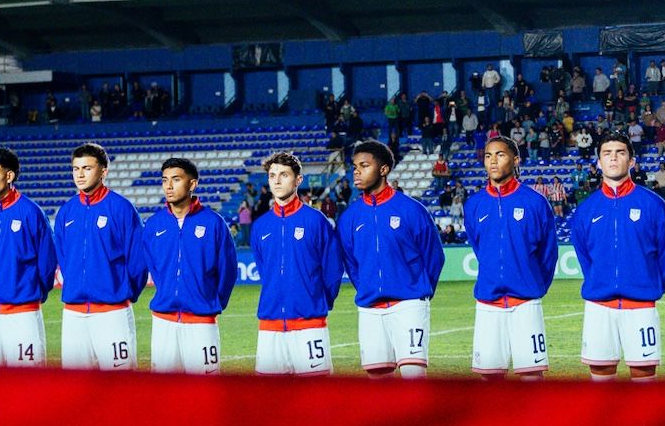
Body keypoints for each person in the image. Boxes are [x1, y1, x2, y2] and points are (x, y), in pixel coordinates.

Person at [569, 132, 665, 381]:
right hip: (599, 306)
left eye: (620, 152)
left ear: (631, 161)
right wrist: (600, 281)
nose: (613, 158)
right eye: (607, 153)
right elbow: (585, 255)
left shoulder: (653, 204)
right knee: (601, 372)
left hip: (640, 306)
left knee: (643, 373)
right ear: (598, 162)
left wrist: (652, 286)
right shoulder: (587, 209)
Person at [337, 140, 445, 378]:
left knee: (413, 377)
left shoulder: (412, 210)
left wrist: (419, 292)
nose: (356, 171)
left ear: (383, 170)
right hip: (370, 309)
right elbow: (351, 264)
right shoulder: (349, 217)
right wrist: (368, 287)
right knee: (378, 384)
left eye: (364, 165)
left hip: (409, 305)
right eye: (355, 166)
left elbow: (434, 256)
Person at [462, 138, 557, 379]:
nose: (493, 160)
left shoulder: (535, 202)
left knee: (531, 375)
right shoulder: (474, 204)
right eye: (488, 155)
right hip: (488, 303)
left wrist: (531, 285)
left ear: (515, 160)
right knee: (489, 377)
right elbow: (478, 246)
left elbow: (548, 253)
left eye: (500, 155)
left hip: (525, 304)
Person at [53, 142, 147, 371]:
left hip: (112, 313)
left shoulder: (122, 209)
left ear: (103, 171)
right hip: (74, 315)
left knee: (121, 388)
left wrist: (120, 293)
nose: (80, 174)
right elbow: (63, 258)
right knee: (73, 390)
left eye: (87, 168)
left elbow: (138, 261)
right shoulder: (66, 212)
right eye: (76, 169)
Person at [250, 151, 342, 375]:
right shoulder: (261, 226)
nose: (277, 181)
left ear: (298, 180)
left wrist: (315, 302)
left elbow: (333, 270)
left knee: (316, 400)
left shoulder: (316, 221)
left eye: (284, 175)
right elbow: (265, 271)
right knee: (269, 403)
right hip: (270, 326)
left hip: (309, 325)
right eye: (272, 176)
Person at [142, 158, 237, 374]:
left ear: (192, 184)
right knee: (164, 394)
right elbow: (154, 267)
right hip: (163, 322)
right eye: (165, 180)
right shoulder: (154, 224)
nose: (169, 186)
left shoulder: (214, 223)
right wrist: (166, 292)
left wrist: (210, 302)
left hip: (202, 322)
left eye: (176, 179)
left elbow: (228, 271)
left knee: (206, 393)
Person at [0, 147, 57, 367]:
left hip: (23, 312)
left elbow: (47, 262)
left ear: (9, 176)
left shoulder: (32, 212)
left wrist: (33, 292)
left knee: (28, 384)